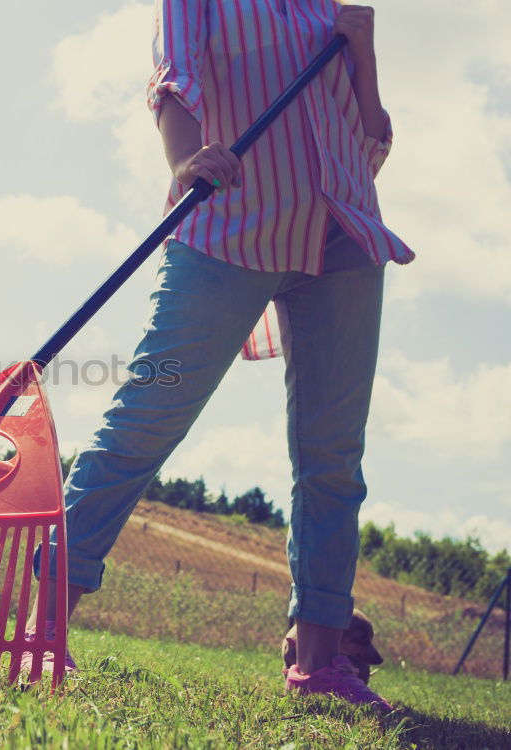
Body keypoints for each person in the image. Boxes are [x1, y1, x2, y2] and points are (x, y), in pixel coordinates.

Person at [27, 0, 412, 710]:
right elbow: (175, 79)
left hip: (345, 238)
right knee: (147, 417)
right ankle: (40, 629)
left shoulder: (335, 9)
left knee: (332, 455)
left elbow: (371, 142)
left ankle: (319, 662)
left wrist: (364, 56)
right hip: (230, 227)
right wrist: (184, 158)